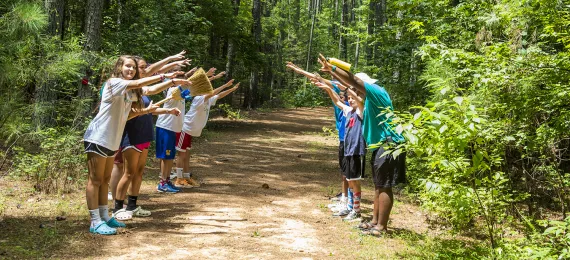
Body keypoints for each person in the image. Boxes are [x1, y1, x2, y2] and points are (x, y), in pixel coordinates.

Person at [83, 55, 181, 235]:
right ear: (119, 67)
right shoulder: (114, 83)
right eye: (128, 66)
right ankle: (94, 220)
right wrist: (164, 76)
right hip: (98, 136)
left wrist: (170, 83)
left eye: (134, 68)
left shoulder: (130, 92)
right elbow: (140, 84)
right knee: (95, 180)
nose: (131, 70)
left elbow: (146, 94)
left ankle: (105, 216)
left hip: (112, 139)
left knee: (105, 179)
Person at [317, 54, 406, 236]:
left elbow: (353, 81)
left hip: (390, 143)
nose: (355, 92)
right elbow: (346, 86)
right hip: (380, 145)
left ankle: (381, 227)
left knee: (385, 185)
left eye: (358, 89)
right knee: (379, 185)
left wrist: (333, 68)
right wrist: (332, 76)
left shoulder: (376, 91)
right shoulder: (367, 101)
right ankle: (374, 222)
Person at [111, 55, 192, 220]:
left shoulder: (140, 89)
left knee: (139, 172)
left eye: (137, 67)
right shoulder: (125, 86)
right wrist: (168, 76)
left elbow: (151, 93)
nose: (136, 70)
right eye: (134, 67)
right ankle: (118, 208)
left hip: (145, 132)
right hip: (131, 134)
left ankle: (132, 205)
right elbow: (138, 104)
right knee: (129, 172)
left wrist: (172, 84)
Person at [285, 62, 350, 210]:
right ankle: (345, 195)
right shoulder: (336, 87)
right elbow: (318, 78)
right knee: (344, 169)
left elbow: (322, 80)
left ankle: (348, 199)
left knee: (348, 170)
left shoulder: (350, 92)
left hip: (349, 136)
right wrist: (300, 70)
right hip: (342, 135)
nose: (333, 78)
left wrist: (301, 71)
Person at [312, 78, 366, 222]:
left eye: (353, 98)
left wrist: (351, 90)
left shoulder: (361, 111)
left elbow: (359, 101)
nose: (351, 100)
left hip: (355, 151)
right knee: (349, 179)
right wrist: (328, 89)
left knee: (355, 180)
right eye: (349, 98)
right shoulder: (348, 110)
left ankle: (357, 210)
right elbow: (337, 101)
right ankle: (350, 206)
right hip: (348, 151)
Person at [174, 80, 240, 185]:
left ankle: (186, 177)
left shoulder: (208, 100)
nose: (209, 90)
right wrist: (225, 85)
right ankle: (178, 178)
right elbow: (213, 93)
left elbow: (219, 95)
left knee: (187, 154)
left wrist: (231, 89)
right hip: (184, 128)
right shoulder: (198, 99)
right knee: (181, 154)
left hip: (190, 131)